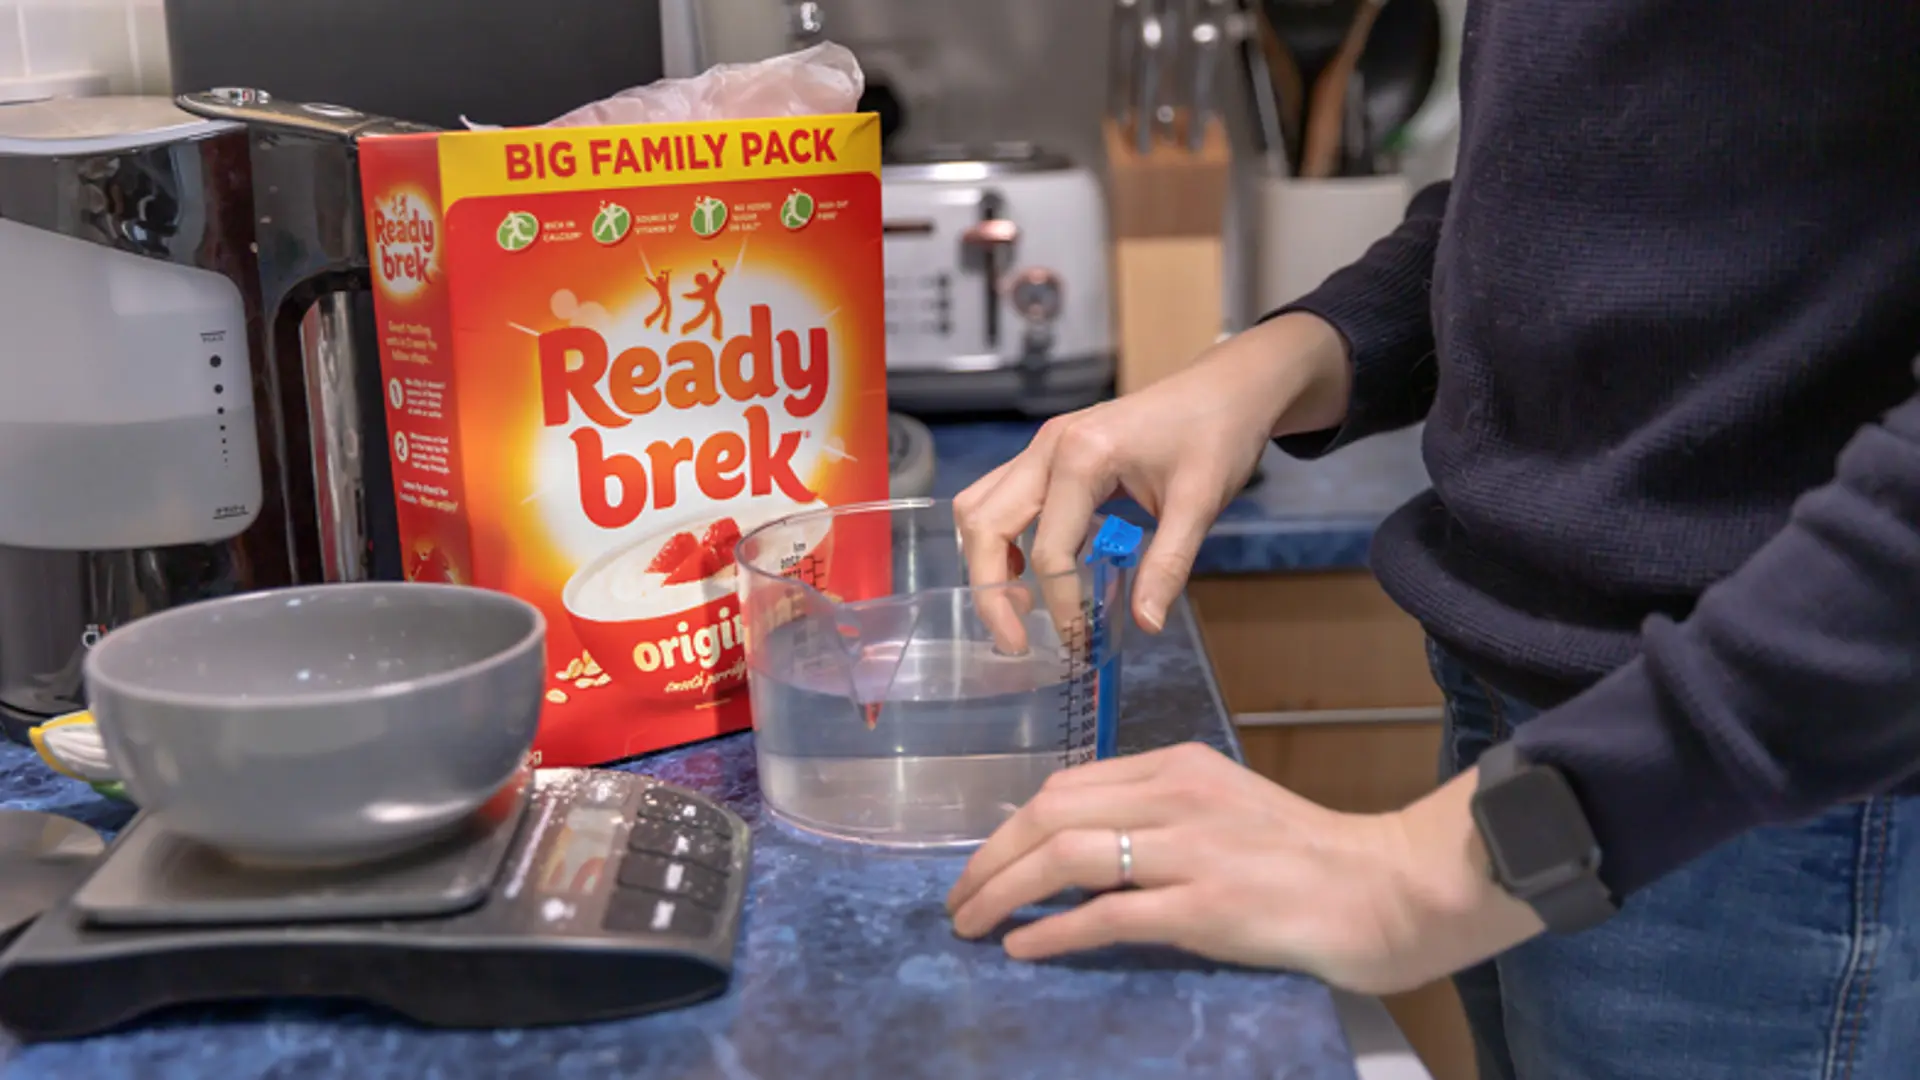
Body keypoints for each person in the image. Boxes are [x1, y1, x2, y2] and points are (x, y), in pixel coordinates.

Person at [943, 5, 1920, 1078]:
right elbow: (1593, 178)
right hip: (1521, 716)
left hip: (1748, 797)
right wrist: (1289, 356)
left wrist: (1426, 871)